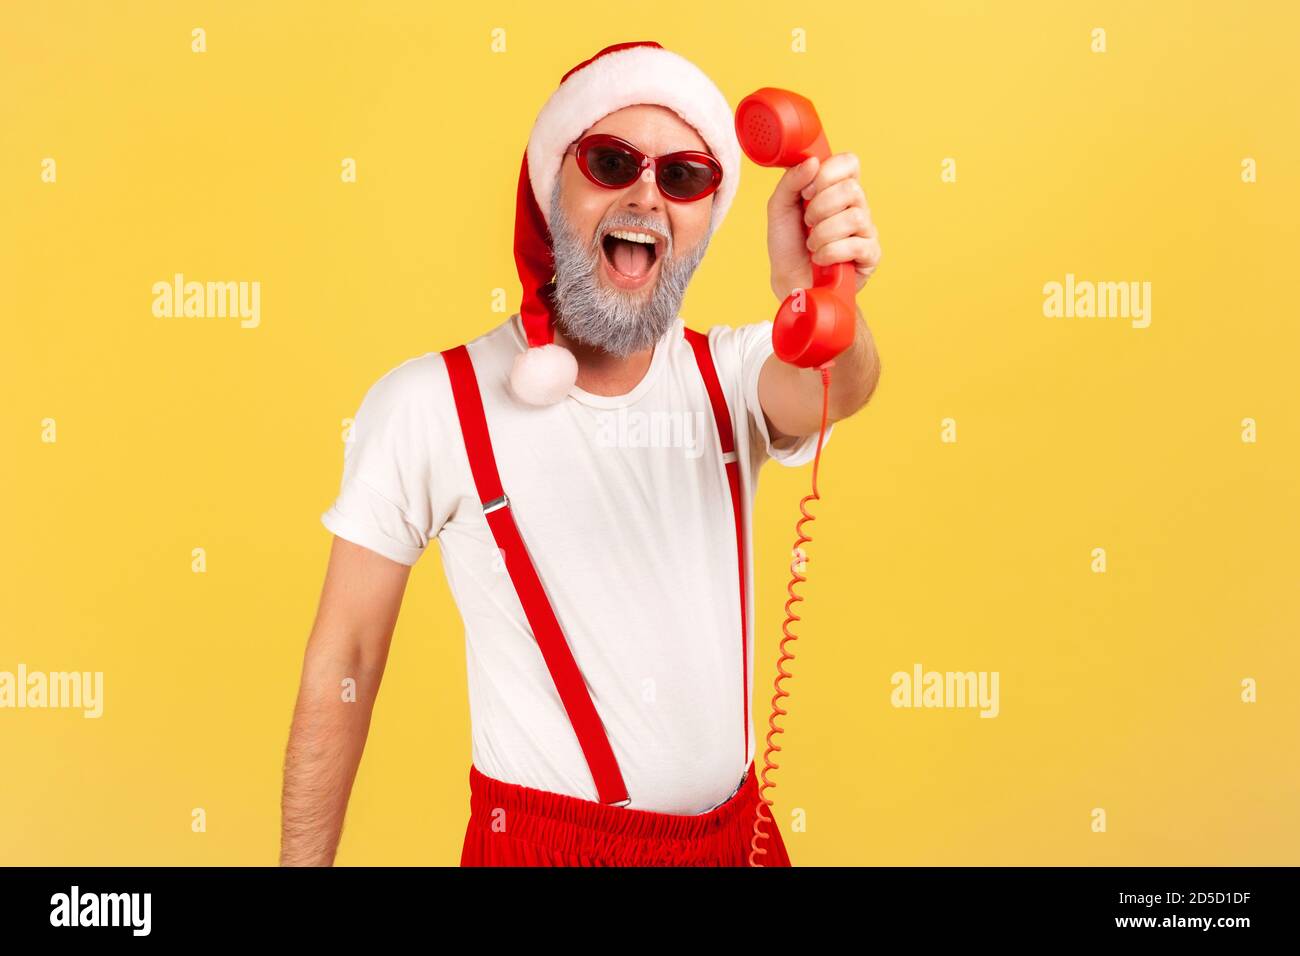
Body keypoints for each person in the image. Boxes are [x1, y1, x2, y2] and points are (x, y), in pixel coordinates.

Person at [281, 40, 882, 867]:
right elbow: (344, 656)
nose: (646, 195)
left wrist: (816, 298)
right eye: (611, 161)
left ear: (708, 213)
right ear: (550, 185)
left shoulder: (731, 375)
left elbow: (841, 386)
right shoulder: (428, 405)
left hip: (737, 845)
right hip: (542, 849)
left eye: (683, 177)